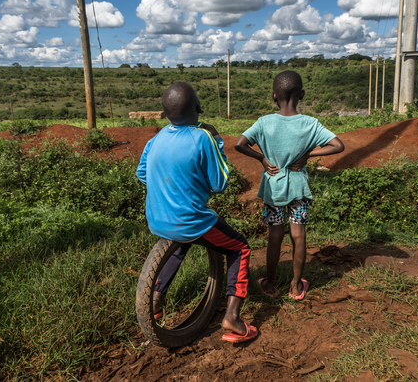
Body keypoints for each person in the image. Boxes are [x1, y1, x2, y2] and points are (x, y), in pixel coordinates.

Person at [136, 81, 257, 343]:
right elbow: (220, 183)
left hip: (157, 219)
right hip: (189, 219)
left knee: (182, 242)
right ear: (198, 108)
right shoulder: (202, 138)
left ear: (166, 113)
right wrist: (217, 140)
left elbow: (142, 173)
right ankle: (233, 317)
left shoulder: (155, 138)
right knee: (240, 248)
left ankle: (155, 298)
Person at [234, 70, 345, 300]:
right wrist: (307, 155)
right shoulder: (310, 124)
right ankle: (296, 285)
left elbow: (239, 144)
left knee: (275, 236)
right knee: (299, 236)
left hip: (274, 188)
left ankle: (270, 283)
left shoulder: (264, 123)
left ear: (274, 96)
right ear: (301, 95)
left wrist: (262, 159)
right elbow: (337, 145)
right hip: (298, 188)